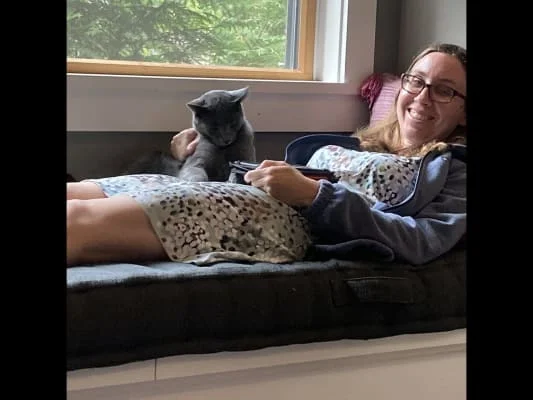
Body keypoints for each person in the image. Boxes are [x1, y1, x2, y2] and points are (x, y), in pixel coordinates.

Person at [67, 42, 466, 267]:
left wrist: (314, 195)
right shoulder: (364, 145)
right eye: (416, 81)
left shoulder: (456, 169)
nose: (422, 97)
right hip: (245, 192)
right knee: (86, 191)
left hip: (278, 224)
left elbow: (421, 240)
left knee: (76, 221)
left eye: (444, 90)